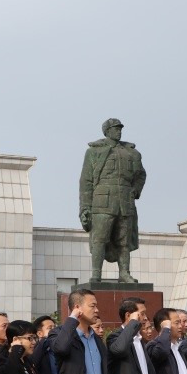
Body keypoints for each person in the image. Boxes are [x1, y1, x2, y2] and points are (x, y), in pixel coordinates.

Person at [78, 118, 146, 284]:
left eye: (120, 128)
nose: (119, 131)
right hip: (102, 201)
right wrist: (85, 208)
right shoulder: (94, 152)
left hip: (125, 201)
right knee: (99, 238)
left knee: (124, 239)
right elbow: (86, 181)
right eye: (115, 128)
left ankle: (124, 272)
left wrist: (135, 190)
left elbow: (140, 175)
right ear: (107, 131)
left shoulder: (132, 153)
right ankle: (96, 274)